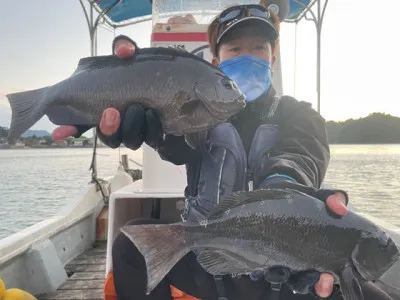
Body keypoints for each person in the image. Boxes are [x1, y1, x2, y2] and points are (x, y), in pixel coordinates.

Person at [52, 4, 394, 300]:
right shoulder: (195, 114)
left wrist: (285, 192)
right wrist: (138, 114)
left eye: (259, 47)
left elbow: (301, 156)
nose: (248, 56)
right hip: (210, 258)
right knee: (130, 247)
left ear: (272, 56)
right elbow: (175, 144)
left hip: (287, 269)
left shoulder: (299, 114)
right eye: (234, 48)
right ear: (215, 58)